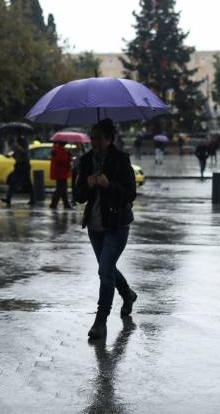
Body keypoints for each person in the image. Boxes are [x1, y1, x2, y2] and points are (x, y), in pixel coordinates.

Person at [74, 119, 138, 340]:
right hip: (95, 225)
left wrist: (109, 184)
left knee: (104, 270)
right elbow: (78, 196)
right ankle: (127, 294)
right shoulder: (85, 161)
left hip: (117, 224)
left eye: (99, 138)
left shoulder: (121, 160)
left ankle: (100, 321)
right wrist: (88, 184)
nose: (95, 142)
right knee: (106, 268)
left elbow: (131, 192)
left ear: (109, 139)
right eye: (92, 137)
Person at [1, 137, 35, 206]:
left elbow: (25, 153)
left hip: (24, 165)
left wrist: (19, 147)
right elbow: (16, 154)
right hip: (18, 165)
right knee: (13, 182)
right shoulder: (16, 142)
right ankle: (8, 199)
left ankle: (33, 199)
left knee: (28, 183)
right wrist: (10, 155)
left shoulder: (24, 142)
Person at [50, 141, 73, 209]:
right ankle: (54, 204)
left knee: (62, 188)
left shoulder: (58, 149)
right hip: (61, 172)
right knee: (60, 188)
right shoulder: (59, 150)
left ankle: (66, 204)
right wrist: (69, 156)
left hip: (60, 172)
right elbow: (63, 160)